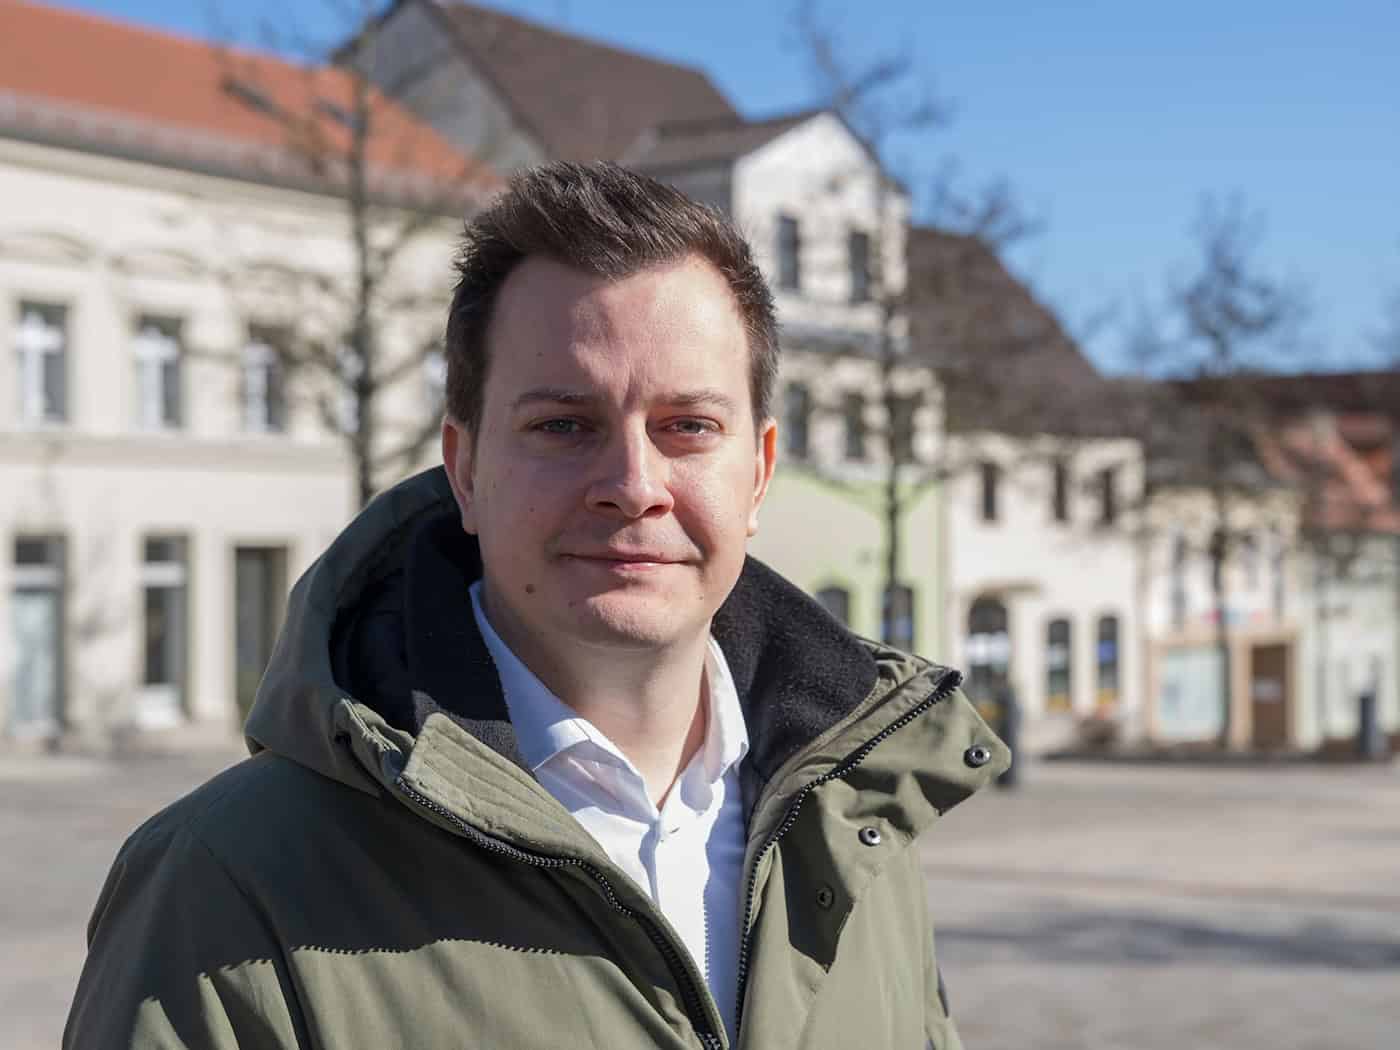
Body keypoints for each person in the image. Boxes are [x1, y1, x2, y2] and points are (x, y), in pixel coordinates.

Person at [65, 162, 1008, 1050]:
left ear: (758, 473)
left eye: (687, 427)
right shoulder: (226, 881)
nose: (633, 485)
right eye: (564, 425)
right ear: (465, 467)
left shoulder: (853, 835)